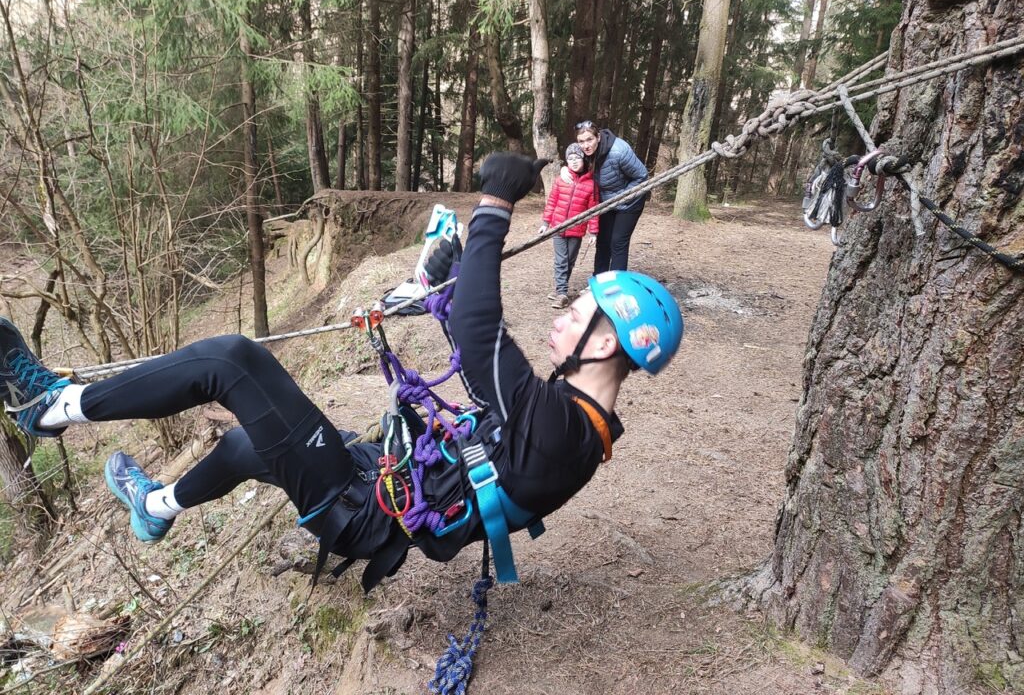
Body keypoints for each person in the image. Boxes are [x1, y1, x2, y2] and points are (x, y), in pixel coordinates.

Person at [0, 153, 683, 591]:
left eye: (580, 315)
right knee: (245, 445)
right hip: (377, 480)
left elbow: (480, 338)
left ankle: (51, 408)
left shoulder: (563, 426)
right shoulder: (574, 420)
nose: (563, 318)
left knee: (231, 360)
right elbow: (477, 347)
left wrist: (496, 208)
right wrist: (439, 279)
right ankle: (154, 511)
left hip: (363, 510)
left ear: (605, 345)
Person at [566, 120, 648, 274]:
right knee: (603, 242)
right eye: (581, 141)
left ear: (598, 137)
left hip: (630, 201)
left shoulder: (619, 151)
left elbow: (642, 176)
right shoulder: (583, 152)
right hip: (606, 201)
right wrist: (565, 170)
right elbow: (575, 165)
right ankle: (599, 281)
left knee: (618, 242)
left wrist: (620, 197)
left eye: (589, 139)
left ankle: (617, 285)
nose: (586, 145)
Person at [540, 142, 599, 309]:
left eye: (577, 158)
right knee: (561, 260)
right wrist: (546, 222)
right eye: (570, 158)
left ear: (584, 160)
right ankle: (562, 293)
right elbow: (552, 202)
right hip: (558, 227)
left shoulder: (591, 184)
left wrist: (593, 232)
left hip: (577, 230)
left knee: (570, 260)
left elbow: (593, 210)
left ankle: (560, 288)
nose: (573, 161)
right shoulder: (561, 180)